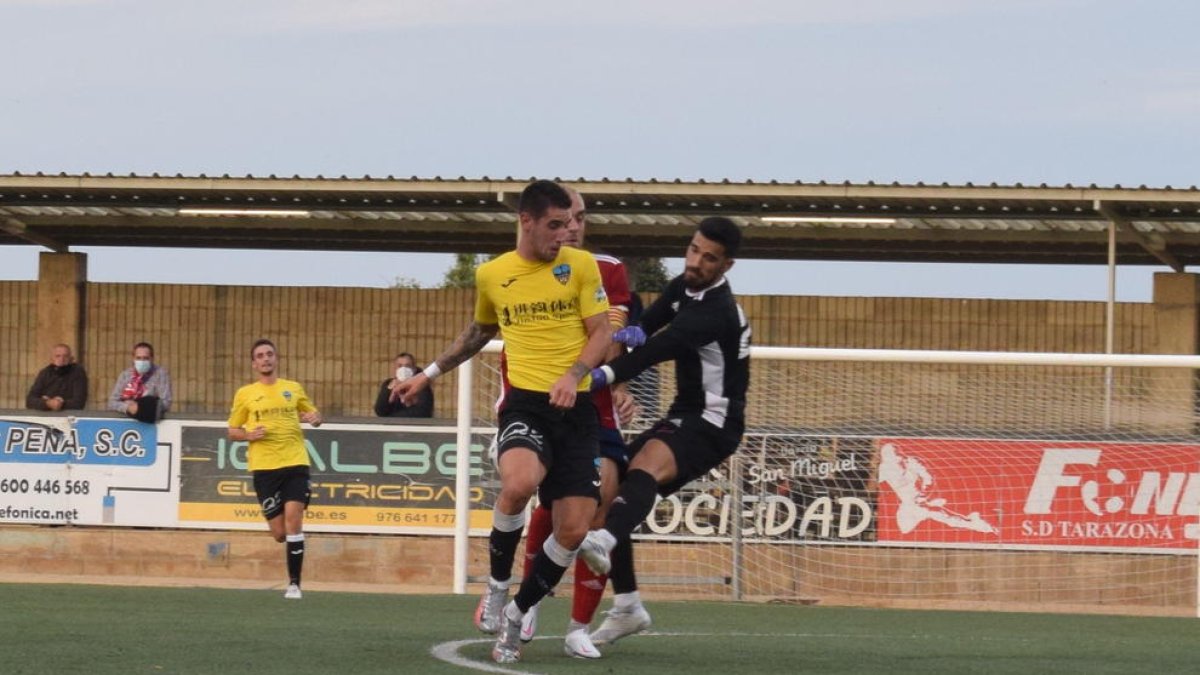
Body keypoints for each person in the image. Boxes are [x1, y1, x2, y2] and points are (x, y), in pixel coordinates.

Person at [393, 179, 613, 664]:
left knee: (574, 530)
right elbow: (480, 331)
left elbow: (602, 332)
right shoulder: (493, 274)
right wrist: (428, 374)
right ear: (526, 221)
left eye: (569, 223)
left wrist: (574, 373)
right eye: (555, 225)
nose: (565, 234)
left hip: (574, 412)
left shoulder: (580, 265)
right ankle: (496, 585)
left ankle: (518, 613)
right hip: (526, 405)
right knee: (518, 482)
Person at [579, 216, 752, 647]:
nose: (695, 261)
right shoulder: (684, 285)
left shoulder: (716, 312)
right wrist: (630, 330)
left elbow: (657, 349)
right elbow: (649, 324)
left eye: (708, 258)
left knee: (641, 472)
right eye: (693, 249)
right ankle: (627, 607)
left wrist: (595, 377)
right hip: (685, 413)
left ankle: (604, 539)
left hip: (714, 422)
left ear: (726, 266)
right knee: (615, 484)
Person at [517, 187, 637, 659]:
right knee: (547, 508)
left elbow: (617, 340)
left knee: (599, 507)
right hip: (538, 405)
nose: (576, 225)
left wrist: (619, 374)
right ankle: (526, 603)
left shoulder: (607, 269)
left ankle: (578, 627)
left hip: (596, 406)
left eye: (582, 217)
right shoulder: (521, 269)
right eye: (567, 217)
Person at [226, 338, 323, 600]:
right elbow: (232, 432)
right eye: (260, 355)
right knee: (279, 533)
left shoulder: (293, 388)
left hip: (295, 463)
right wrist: (248, 435)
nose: (266, 359)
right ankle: (295, 512)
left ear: (276, 358)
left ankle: (294, 585)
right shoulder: (245, 394)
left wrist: (315, 419)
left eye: (269, 354)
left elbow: (314, 416)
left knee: (294, 522)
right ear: (254, 363)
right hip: (265, 469)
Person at [107, 341, 173, 423]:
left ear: (152, 358)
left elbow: (166, 402)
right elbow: (112, 402)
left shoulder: (161, 374)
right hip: (127, 423)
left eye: (145, 358)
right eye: (138, 358)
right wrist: (127, 407)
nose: (142, 361)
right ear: (133, 358)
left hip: (151, 424)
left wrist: (141, 407)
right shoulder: (125, 375)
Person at [25, 343, 88, 411]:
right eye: (57, 356)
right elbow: (29, 401)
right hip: (45, 418)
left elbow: (79, 403)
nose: (62, 359)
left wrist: (60, 403)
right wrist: (47, 403)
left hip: (69, 417)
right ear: (51, 359)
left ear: (71, 358)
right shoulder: (45, 373)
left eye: (65, 356)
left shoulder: (78, 372)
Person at [375, 352, 434, 417]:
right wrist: (388, 390)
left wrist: (391, 419)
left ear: (414, 369)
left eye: (407, 366)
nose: (403, 369)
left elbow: (423, 412)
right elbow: (380, 411)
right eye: (400, 366)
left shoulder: (421, 385)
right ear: (394, 369)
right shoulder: (388, 384)